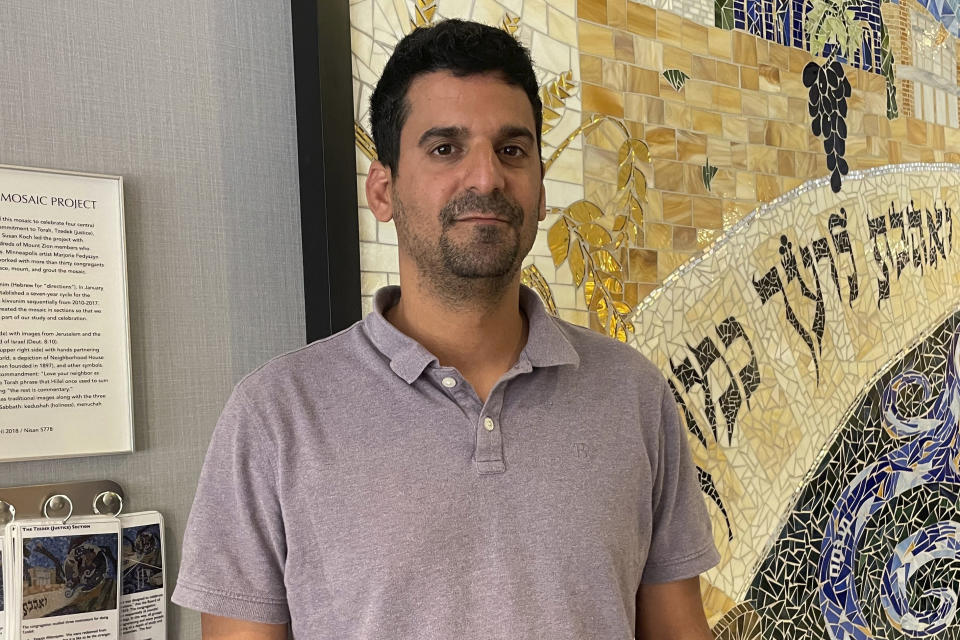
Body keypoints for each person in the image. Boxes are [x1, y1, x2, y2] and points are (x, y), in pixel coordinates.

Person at [172, 18, 720, 639]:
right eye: (445, 148)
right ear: (383, 190)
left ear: (541, 193)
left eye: (512, 150)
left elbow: (679, 629)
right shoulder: (275, 416)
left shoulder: (633, 396)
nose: (485, 177)